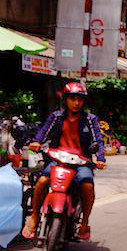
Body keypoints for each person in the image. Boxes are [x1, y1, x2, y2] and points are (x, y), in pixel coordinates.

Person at [22, 82, 106, 241]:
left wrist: (100, 158)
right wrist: (36, 142)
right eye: (72, 99)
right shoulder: (56, 117)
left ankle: (85, 222)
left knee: (87, 184)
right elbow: (43, 132)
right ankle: (33, 217)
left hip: (81, 163)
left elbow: (98, 141)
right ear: (66, 100)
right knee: (42, 181)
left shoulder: (90, 119)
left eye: (80, 100)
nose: (76, 103)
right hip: (58, 160)